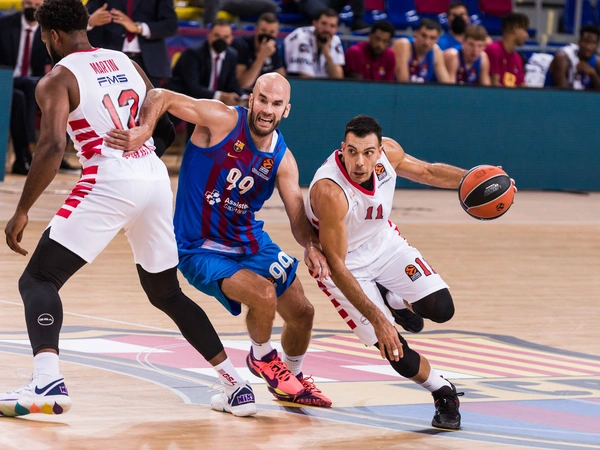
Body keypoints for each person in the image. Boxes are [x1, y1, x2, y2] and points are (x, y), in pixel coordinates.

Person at [1, 0, 257, 419]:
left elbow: (51, 146)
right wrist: (141, 159)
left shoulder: (57, 79)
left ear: (52, 35)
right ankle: (236, 385)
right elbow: (165, 126)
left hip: (108, 178)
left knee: (39, 279)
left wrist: (23, 209)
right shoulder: (126, 62)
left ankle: (47, 381)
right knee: (166, 293)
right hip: (153, 178)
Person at [103, 73, 333, 409]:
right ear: (251, 99)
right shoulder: (222, 120)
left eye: (276, 104)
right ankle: (261, 357)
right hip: (199, 247)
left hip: (249, 242)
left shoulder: (283, 159)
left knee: (303, 312)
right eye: (262, 99)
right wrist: (145, 130)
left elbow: (297, 216)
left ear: (286, 110)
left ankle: (293, 380)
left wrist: (311, 246)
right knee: (264, 295)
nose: (267, 109)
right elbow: (161, 95)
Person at [306, 115, 509, 429]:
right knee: (395, 350)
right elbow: (337, 264)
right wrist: (378, 320)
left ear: (379, 150)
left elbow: (428, 172)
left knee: (441, 309)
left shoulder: (390, 153)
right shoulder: (330, 191)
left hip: (383, 242)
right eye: (352, 152)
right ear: (342, 149)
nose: (360, 162)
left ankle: (395, 300)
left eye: (368, 152)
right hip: (346, 264)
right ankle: (443, 392)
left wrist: (482, 180)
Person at [166, 19, 243, 140]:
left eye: (225, 37)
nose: (221, 40)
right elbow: (193, 87)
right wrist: (221, 96)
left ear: (231, 39)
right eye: (217, 35)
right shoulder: (193, 53)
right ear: (209, 35)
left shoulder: (232, 55)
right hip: (184, 97)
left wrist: (242, 96)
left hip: (209, 102)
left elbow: (231, 83)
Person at [0, 0, 47, 175]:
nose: (32, 7)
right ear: (21, 3)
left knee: (20, 96)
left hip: (30, 85)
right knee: (27, 87)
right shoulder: (4, 24)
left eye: (37, 4)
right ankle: (28, 150)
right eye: (28, 3)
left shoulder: (49, 30)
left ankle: (22, 157)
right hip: (5, 79)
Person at [86, 0, 178, 87]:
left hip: (149, 62)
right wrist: (90, 21)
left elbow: (171, 25)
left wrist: (138, 28)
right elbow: (83, 18)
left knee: (151, 98)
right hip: (109, 60)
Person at [284, 8, 345, 79]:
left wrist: (328, 56)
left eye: (332, 26)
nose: (327, 29)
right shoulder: (301, 38)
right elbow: (306, 78)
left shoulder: (335, 40)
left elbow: (338, 78)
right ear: (315, 23)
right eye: (324, 24)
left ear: (336, 28)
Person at [232, 12, 286, 90]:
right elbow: (244, 84)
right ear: (256, 30)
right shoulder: (241, 45)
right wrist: (262, 56)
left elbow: (282, 79)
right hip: (244, 93)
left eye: (271, 32)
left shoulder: (273, 48)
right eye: (263, 30)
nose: (267, 35)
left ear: (276, 33)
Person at [392, 19, 451, 84]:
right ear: (416, 33)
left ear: (437, 39)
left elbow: (447, 85)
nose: (426, 42)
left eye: (432, 38)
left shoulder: (436, 51)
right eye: (423, 36)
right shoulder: (403, 45)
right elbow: (403, 83)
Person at [544, 24, 600, 91]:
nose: (588, 47)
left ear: (597, 45)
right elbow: (564, 93)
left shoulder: (597, 62)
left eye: (593, 43)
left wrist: (593, 74)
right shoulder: (562, 58)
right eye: (585, 42)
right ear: (579, 42)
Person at [484, 12, 529, 88]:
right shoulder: (494, 50)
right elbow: (494, 86)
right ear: (515, 29)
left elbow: (523, 86)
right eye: (525, 30)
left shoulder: (518, 58)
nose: (527, 35)